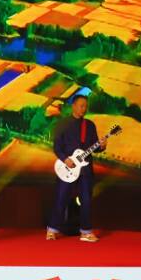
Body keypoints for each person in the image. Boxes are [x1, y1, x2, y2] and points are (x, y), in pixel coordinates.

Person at [47, 93, 105, 243]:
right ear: (73, 106)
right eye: (81, 106)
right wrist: (65, 159)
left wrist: (101, 146)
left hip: (85, 170)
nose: (83, 109)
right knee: (61, 198)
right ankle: (52, 230)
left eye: (85, 106)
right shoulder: (63, 124)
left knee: (86, 200)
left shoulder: (90, 125)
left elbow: (94, 148)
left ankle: (86, 232)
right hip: (67, 167)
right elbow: (57, 147)